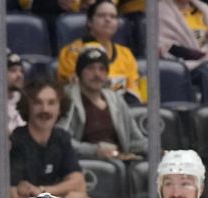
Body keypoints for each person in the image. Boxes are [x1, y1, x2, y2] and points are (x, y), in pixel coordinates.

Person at [60, 45, 147, 185]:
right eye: (90, 68)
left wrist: (158, 150)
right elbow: (61, 139)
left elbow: (135, 139)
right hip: (86, 165)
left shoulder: (116, 100)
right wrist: (95, 151)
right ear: (80, 72)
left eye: (102, 69)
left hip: (121, 162)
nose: (97, 74)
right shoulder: (69, 99)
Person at [11, 78, 92, 198]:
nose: (45, 109)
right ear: (28, 107)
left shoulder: (61, 137)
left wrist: (42, 191)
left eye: (51, 103)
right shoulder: (17, 140)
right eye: (38, 103)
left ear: (60, 108)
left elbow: (79, 183)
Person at [56, 0, 142, 103]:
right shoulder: (71, 52)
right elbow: (77, 88)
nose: (108, 19)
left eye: (113, 16)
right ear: (89, 22)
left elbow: (133, 90)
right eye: (101, 15)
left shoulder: (126, 54)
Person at [158, 0, 208, 83]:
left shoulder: (204, 9)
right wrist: (200, 56)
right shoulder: (161, 11)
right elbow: (165, 46)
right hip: (185, 66)